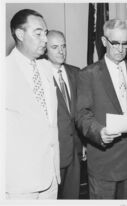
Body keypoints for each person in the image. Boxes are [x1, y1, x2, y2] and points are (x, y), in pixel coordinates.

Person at [76, 19, 127, 199]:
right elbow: (81, 114)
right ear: (104, 41)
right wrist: (98, 131)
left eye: (125, 43)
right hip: (104, 162)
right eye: (115, 43)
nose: (121, 49)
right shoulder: (88, 74)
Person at [6, 9, 60, 199]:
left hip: (51, 176)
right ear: (20, 34)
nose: (45, 39)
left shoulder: (46, 68)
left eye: (45, 33)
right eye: (38, 33)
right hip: (19, 181)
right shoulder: (4, 71)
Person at [45, 30, 82, 199]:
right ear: (45, 49)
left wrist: (84, 143)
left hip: (75, 151)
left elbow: (82, 111)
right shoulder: (39, 74)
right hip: (51, 154)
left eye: (63, 46)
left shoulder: (76, 73)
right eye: (55, 47)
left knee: (72, 197)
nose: (61, 51)